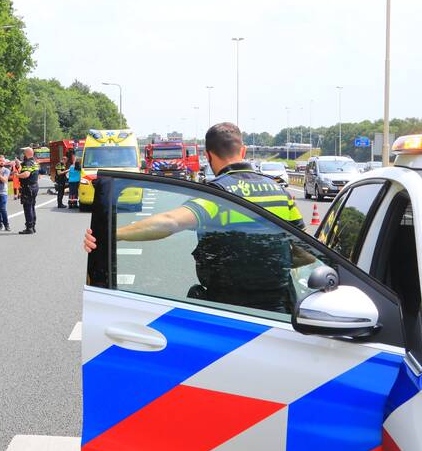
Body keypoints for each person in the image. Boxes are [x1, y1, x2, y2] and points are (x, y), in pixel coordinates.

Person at [83, 122, 306, 313]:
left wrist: (112, 234)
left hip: (229, 311)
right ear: (244, 150)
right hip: (279, 312)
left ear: (208, 155)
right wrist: (270, 260)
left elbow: (169, 222)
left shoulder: (218, 195)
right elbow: (307, 255)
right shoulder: (280, 192)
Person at [13, 146, 40, 234]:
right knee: (32, 207)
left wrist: (17, 175)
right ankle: (33, 226)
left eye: (24, 153)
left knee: (28, 207)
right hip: (34, 187)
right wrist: (19, 165)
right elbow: (25, 169)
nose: (23, 155)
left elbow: (26, 174)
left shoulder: (28, 163)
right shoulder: (34, 162)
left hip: (28, 188)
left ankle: (29, 228)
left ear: (27, 154)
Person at [0, 155, 12, 231]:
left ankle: (7, 225)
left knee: (2, 209)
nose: (2, 162)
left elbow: (4, 180)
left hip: (3, 192)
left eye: (3, 161)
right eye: (0, 160)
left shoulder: (6, 170)